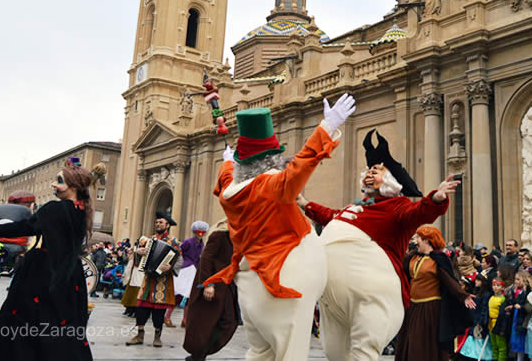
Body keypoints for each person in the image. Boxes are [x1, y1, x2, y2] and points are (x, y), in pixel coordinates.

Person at [203, 96, 355, 361]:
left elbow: (226, 176)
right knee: (289, 354)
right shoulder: (271, 186)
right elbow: (298, 167)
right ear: (271, 159)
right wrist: (327, 127)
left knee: (261, 353)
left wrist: (228, 161)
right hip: (283, 285)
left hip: (251, 290)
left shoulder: (229, 193)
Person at [298, 130, 463, 361]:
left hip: (371, 294)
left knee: (363, 351)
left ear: (389, 181)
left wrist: (436, 198)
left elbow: (418, 213)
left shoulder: (397, 206)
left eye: (375, 171)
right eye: (368, 171)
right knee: (335, 353)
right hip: (332, 299)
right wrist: (305, 203)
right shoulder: (355, 208)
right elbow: (330, 215)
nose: (368, 174)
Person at [0, 159, 95, 359]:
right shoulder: (82, 211)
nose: (53, 185)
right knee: (63, 326)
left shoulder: (54, 209)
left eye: (59, 180)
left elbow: (24, 227)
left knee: (25, 324)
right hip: (70, 276)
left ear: (74, 186)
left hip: (43, 273)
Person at [394, 226, 474, 361]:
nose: (416, 241)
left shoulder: (439, 259)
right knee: (409, 341)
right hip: (412, 308)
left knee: (423, 344)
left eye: (418, 238)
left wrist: (463, 296)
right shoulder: (413, 257)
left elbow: (449, 281)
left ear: (427, 240)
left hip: (430, 309)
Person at [183, 219, 239, 361]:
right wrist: (208, 284)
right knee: (209, 322)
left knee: (230, 322)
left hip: (227, 285)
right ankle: (198, 355)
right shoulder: (219, 235)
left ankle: (199, 354)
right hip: (214, 285)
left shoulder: (238, 238)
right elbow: (206, 259)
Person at [125, 214, 183, 348]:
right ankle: (139, 335)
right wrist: (137, 252)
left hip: (163, 281)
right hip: (148, 279)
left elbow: (180, 259)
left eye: (161, 222)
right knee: (141, 307)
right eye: (157, 222)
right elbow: (137, 258)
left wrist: (171, 266)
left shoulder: (174, 242)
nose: (158, 224)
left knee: (159, 310)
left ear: (167, 225)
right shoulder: (147, 239)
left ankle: (157, 337)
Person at [167, 220, 208, 328]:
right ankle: (167, 317)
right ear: (194, 231)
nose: (200, 234)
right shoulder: (188, 242)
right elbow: (178, 253)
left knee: (190, 296)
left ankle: (185, 320)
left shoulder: (202, 244)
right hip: (184, 270)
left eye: (203, 232)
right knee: (179, 295)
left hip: (194, 270)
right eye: (198, 231)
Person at [458, 273, 494, 360]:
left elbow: (484, 309)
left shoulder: (486, 294)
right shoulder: (478, 292)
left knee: (479, 340)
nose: (475, 282)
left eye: (478, 280)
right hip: (474, 319)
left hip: (478, 321)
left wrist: (480, 321)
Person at [507, 271, 532, 361]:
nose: (516, 281)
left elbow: (529, 306)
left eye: (518, 279)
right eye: (515, 279)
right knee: (516, 339)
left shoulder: (528, 291)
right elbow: (516, 302)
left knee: (521, 340)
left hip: (522, 318)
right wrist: (512, 306)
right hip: (516, 315)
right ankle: (518, 357)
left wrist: (521, 307)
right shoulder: (517, 290)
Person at [488, 278, 508, 361]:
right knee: (494, 344)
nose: (495, 287)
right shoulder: (491, 297)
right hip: (490, 323)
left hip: (499, 324)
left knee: (501, 345)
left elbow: (503, 315)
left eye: (498, 285)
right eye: (494, 285)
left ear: (502, 287)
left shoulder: (503, 299)